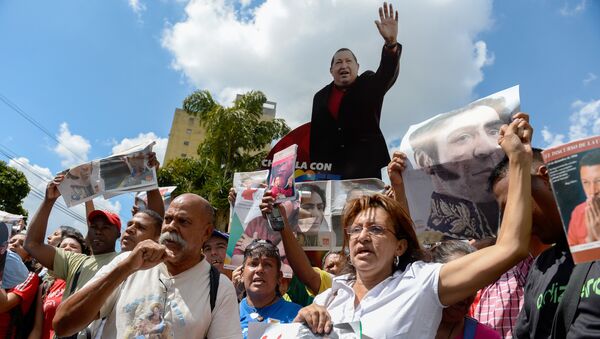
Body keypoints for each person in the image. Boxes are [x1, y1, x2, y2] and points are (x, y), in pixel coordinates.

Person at [286, 115, 533, 338]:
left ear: (400, 246)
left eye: (375, 230)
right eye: (355, 229)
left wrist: (519, 161)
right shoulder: (330, 296)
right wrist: (307, 316)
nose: (362, 237)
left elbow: (511, 247)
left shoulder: (422, 284)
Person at [53, 193, 241, 339]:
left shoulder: (220, 288)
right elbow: (63, 324)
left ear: (206, 232)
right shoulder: (126, 264)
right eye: (168, 219)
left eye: (183, 221)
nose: (171, 227)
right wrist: (124, 268)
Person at [309, 2, 401, 180]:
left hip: (367, 172)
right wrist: (314, 169)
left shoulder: (368, 83)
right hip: (331, 175)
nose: (343, 65)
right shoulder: (320, 97)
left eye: (348, 61)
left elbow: (387, 74)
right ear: (331, 70)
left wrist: (391, 44)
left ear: (357, 67)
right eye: (338, 62)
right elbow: (316, 139)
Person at [408, 97, 518, 240]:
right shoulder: (426, 249)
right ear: (425, 160)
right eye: (463, 138)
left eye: (493, 132)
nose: (487, 148)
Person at [24, 175, 121, 302]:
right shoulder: (75, 262)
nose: (98, 231)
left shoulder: (125, 261)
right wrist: (48, 201)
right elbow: (32, 245)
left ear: (118, 234)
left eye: (106, 227)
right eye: (94, 227)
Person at [430, 240, 500, 339]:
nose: (465, 293)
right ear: (434, 279)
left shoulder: (486, 336)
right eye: (457, 281)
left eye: (473, 284)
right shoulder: (407, 325)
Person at [29, 230, 88, 339]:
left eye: (73, 246)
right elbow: (37, 328)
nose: (67, 248)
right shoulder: (46, 286)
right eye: (63, 246)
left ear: (83, 255)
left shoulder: (86, 281)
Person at [239, 239, 301, 338]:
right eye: (253, 264)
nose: (259, 270)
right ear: (242, 274)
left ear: (279, 277)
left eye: (267, 264)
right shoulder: (226, 314)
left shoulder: (297, 315)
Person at [1, 232, 41, 338]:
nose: (14, 244)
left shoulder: (29, 277)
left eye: (22, 244)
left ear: (28, 257)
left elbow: (3, 305)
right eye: (12, 241)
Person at [567, 149, 600, 246]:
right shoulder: (578, 212)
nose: (592, 191)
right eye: (586, 182)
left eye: (599, 181)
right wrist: (590, 240)